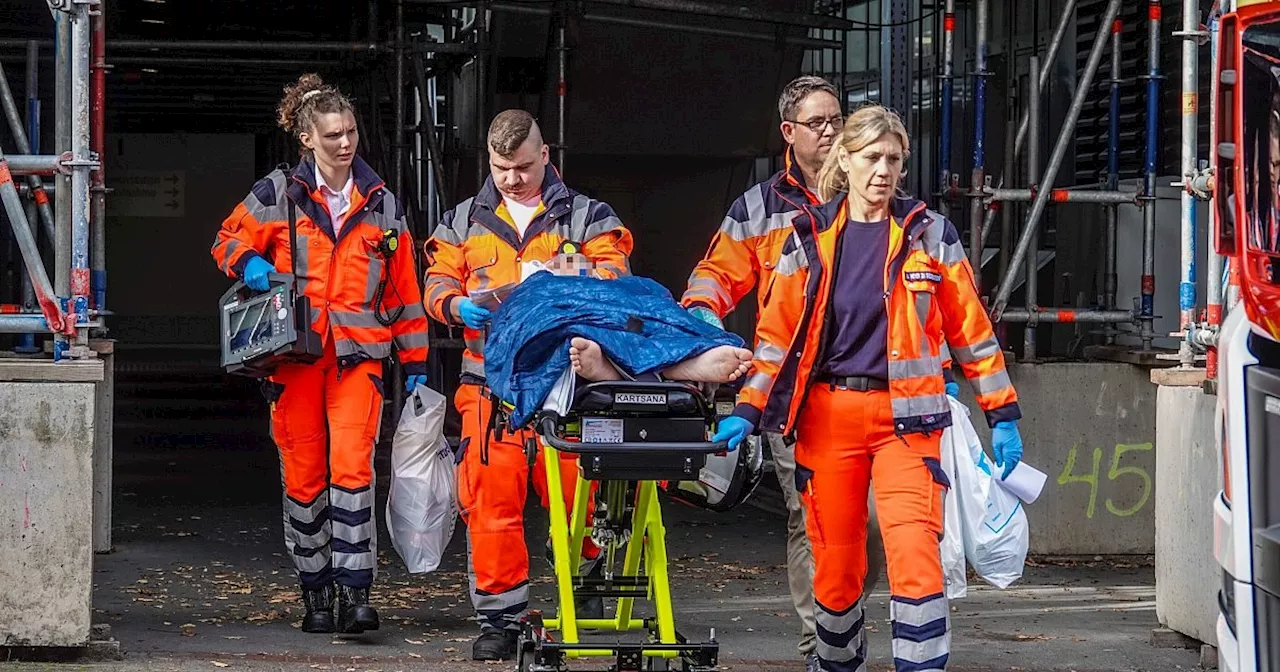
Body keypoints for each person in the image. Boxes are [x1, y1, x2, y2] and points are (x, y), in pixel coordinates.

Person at [713, 105, 1025, 671]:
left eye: (894, 159)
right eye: (872, 157)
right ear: (846, 161)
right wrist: (747, 407)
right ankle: (835, 664)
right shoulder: (807, 239)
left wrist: (1001, 413)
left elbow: (972, 330)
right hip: (827, 422)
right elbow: (775, 339)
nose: (883, 170)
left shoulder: (929, 234)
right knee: (835, 567)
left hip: (908, 423)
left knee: (914, 555)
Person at [681, 75, 930, 670]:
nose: (830, 130)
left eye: (836, 119)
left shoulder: (883, 200)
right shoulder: (761, 208)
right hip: (798, 393)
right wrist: (701, 332)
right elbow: (714, 277)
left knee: (871, 523)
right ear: (788, 134)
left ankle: (841, 622)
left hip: (883, 395)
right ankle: (820, 641)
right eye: (817, 122)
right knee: (810, 517)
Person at [210, 73, 431, 635]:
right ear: (306, 138)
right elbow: (225, 241)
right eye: (332, 135)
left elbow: (405, 291)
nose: (345, 143)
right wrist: (250, 265)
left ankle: (356, 594)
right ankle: (316, 593)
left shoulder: (381, 204)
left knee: (354, 473)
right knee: (305, 481)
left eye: (351, 131)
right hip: (295, 362)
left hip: (359, 360)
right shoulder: (276, 194)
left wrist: (418, 364)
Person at [422, 109, 633, 661]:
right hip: (490, 385)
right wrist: (453, 305)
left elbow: (617, 272)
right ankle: (501, 618)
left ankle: (588, 581)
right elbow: (436, 280)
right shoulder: (462, 219)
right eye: (500, 168)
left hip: (566, 383)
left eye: (520, 166)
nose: (511, 178)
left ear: (544, 155)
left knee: (578, 492)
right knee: (491, 500)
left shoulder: (588, 216)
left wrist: (573, 281)